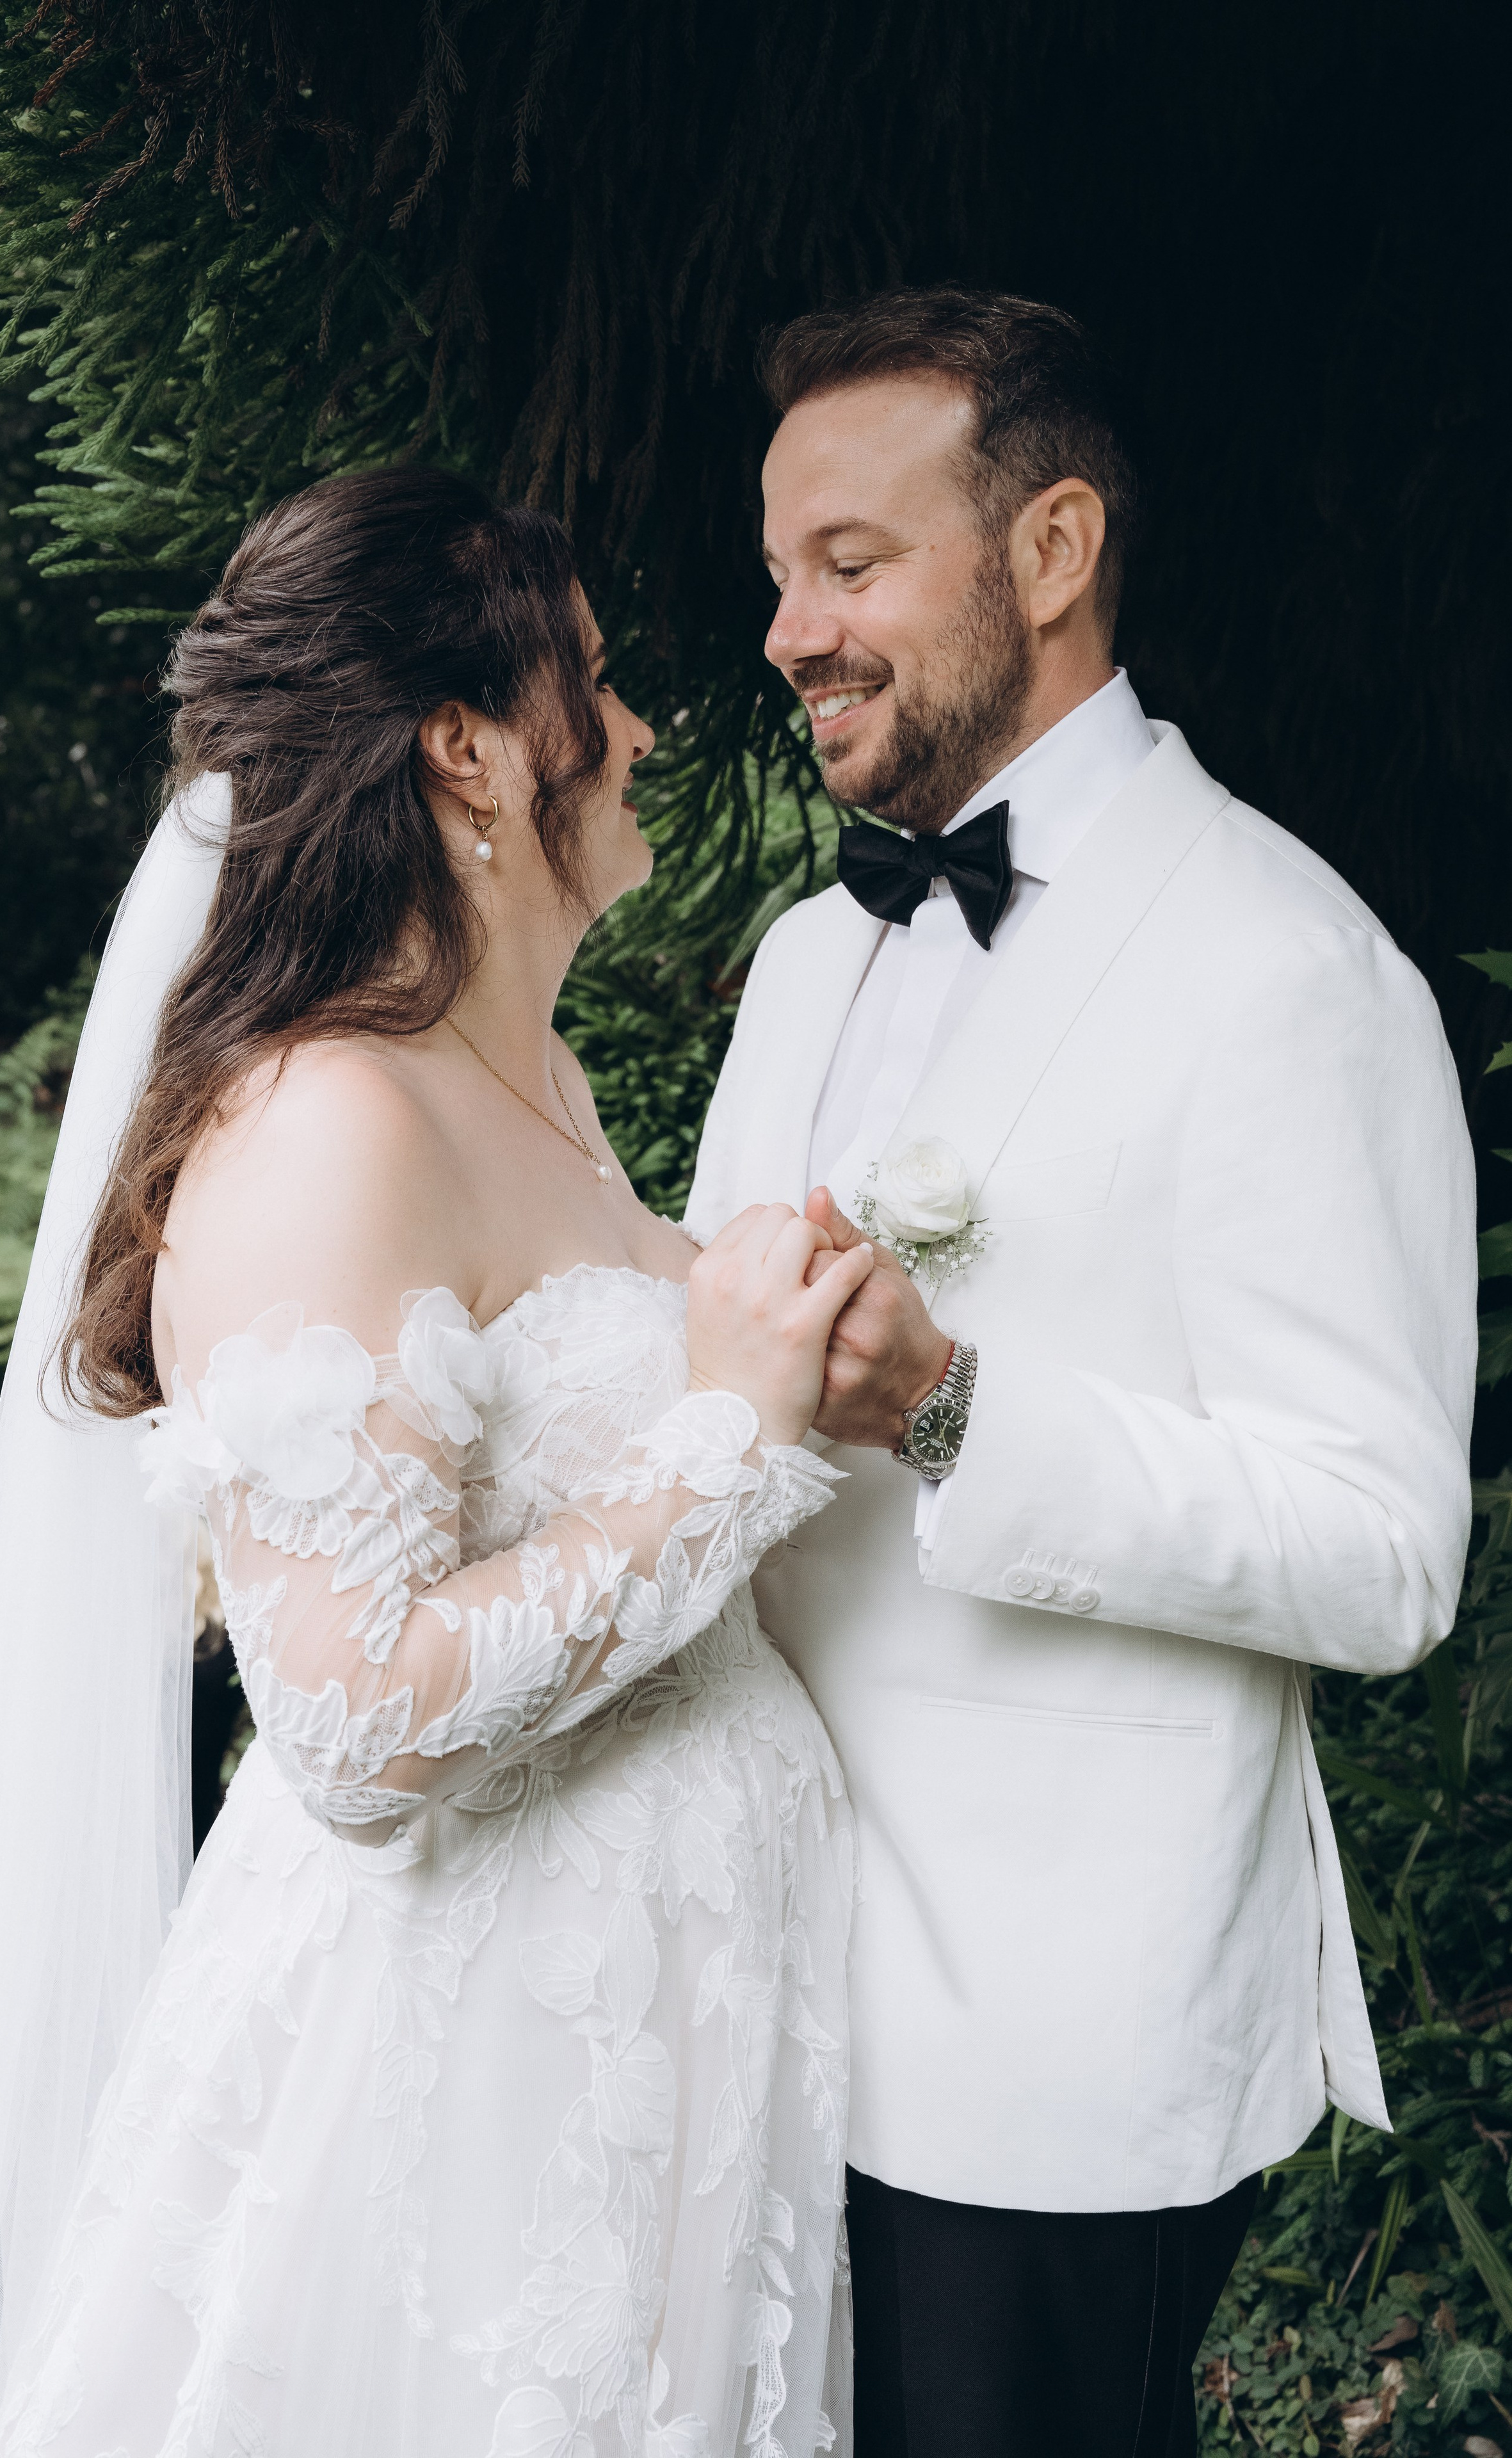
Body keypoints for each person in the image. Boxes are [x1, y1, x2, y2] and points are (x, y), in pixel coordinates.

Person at [0, 469, 874, 2457]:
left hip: (655, 2058)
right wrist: (734, 1432)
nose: (651, 729)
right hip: (470, 2090)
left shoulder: (535, 1078)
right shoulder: (329, 1120)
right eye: (598, 681)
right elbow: (349, 1721)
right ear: (476, 755)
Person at [685, 287, 1479, 2455]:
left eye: (851, 566)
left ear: (1051, 553)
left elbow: (1384, 1548)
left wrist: (958, 1408)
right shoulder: (802, 956)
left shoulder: (1294, 972)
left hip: (1054, 2052)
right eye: (782, 575)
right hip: (740, 1987)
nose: (788, 633)